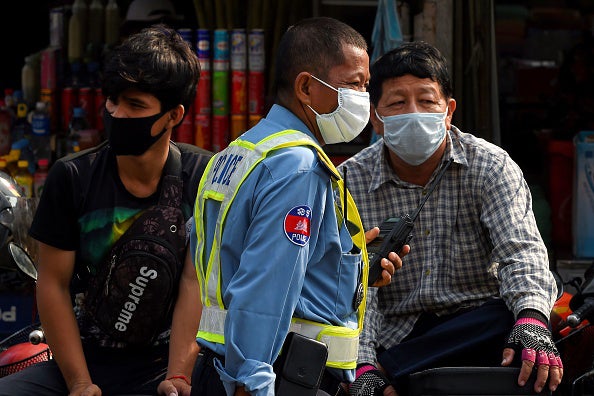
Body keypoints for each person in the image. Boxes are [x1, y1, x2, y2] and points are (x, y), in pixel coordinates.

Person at [158, 16, 407, 396]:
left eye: (365, 85)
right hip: (279, 376)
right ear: (306, 87)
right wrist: (253, 381)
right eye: (354, 84)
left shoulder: (237, 153)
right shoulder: (298, 165)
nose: (362, 97)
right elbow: (265, 285)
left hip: (224, 366)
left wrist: (351, 270)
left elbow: (232, 262)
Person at [338, 41, 563, 396]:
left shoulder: (490, 165)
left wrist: (532, 320)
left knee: (518, 315)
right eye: (397, 103)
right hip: (396, 333)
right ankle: (382, 367)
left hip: (476, 327)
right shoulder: (350, 181)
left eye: (426, 101)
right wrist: (364, 363)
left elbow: (521, 253)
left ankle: (393, 369)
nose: (413, 112)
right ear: (376, 118)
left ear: (449, 111)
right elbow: (352, 289)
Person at [0, 24, 212, 395]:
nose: (116, 113)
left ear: (173, 116)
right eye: (112, 100)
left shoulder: (204, 177)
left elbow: (194, 282)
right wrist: (80, 383)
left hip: (167, 361)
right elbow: (53, 283)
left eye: (135, 105)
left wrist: (178, 376)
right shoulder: (72, 177)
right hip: (85, 360)